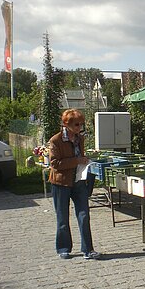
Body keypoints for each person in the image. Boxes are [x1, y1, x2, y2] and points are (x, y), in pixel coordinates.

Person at [48, 109, 100, 260]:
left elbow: (79, 156)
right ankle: (63, 248)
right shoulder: (55, 140)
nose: (79, 128)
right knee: (62, 217)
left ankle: (88, 249)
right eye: (76, 124)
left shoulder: (80, 139)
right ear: (66, 124)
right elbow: (54, 163)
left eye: (81, 124)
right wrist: (76, 161)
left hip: (78, 181)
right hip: (61, 182)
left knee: (84, 215)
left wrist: (85, 161)